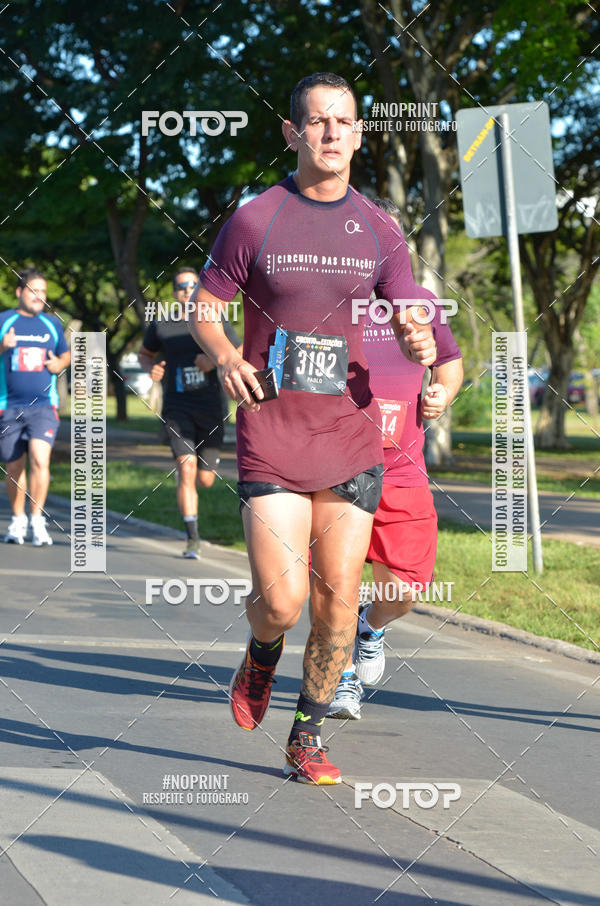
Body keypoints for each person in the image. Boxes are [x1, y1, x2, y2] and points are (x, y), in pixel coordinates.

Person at [189, 73, 437, 785]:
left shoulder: (380, 228)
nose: (332, 132)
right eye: (318, 121)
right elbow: (205, 307)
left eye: (344, 121)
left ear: (359, 134)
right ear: (293, 132)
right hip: (273, 428)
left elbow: (409, 309)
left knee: (337, 602)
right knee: (282, 600)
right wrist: (227, 355)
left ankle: (307, 736)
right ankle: (261, 650)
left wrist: (419, 337)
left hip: (350, 436)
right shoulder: (255, 219)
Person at [327, 200, 463, 719]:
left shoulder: (421, 304)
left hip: (402, 467)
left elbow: (449, 362)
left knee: (405, 588)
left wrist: (442, 393)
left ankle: (371, 624)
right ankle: (340, 678)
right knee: (334, 581)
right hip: (336, 464)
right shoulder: (328, 301)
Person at [138, 267, 242, 558]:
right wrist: (152, 368)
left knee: (205, 479)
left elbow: (239, 349)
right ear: (174, 292)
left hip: (211, 408)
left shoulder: (214, 319)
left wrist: (215, 360)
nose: (187, 290)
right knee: (186, 467)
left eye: (193, 285)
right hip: (177, 407)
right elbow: (144, 354)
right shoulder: (162, 323)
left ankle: (191, 481)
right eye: (182, 286)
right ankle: (192, 539)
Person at [0, 267, 70, 546]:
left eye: (43, 291)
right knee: (14, 465)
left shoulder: (52, 324)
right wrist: (2, 346)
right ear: (20, 292)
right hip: (9, 406)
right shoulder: (5, 320)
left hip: (44, 405)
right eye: (33, 290)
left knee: (41, 460)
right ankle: (18, 519)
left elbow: (65, 355)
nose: (39, 296)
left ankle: (37, 519)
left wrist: (60, 363)